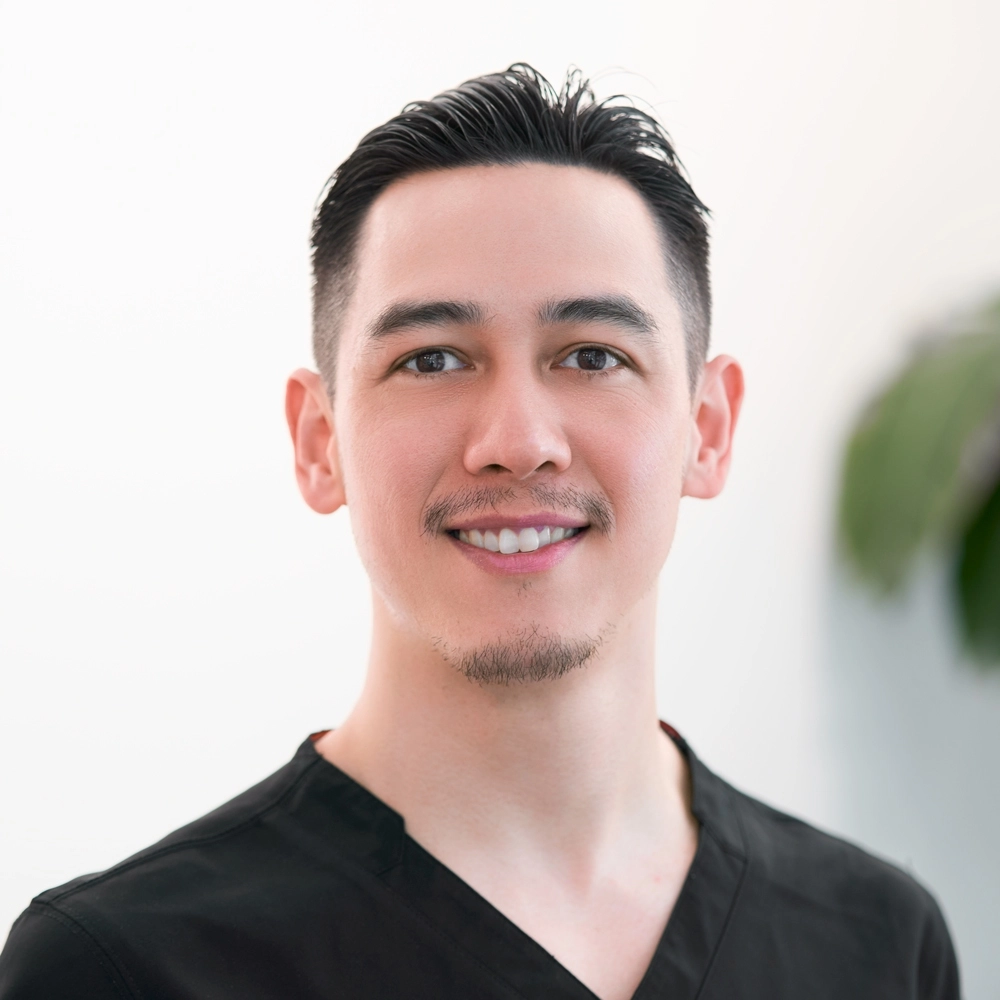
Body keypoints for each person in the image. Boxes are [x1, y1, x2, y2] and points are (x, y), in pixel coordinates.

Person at [0, 64, 960, 1000]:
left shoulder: (880, 944)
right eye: (433, 359)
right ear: (319, 441)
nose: (518, 443)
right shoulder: (119, 970)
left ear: (706, 430)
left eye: (593, 355)